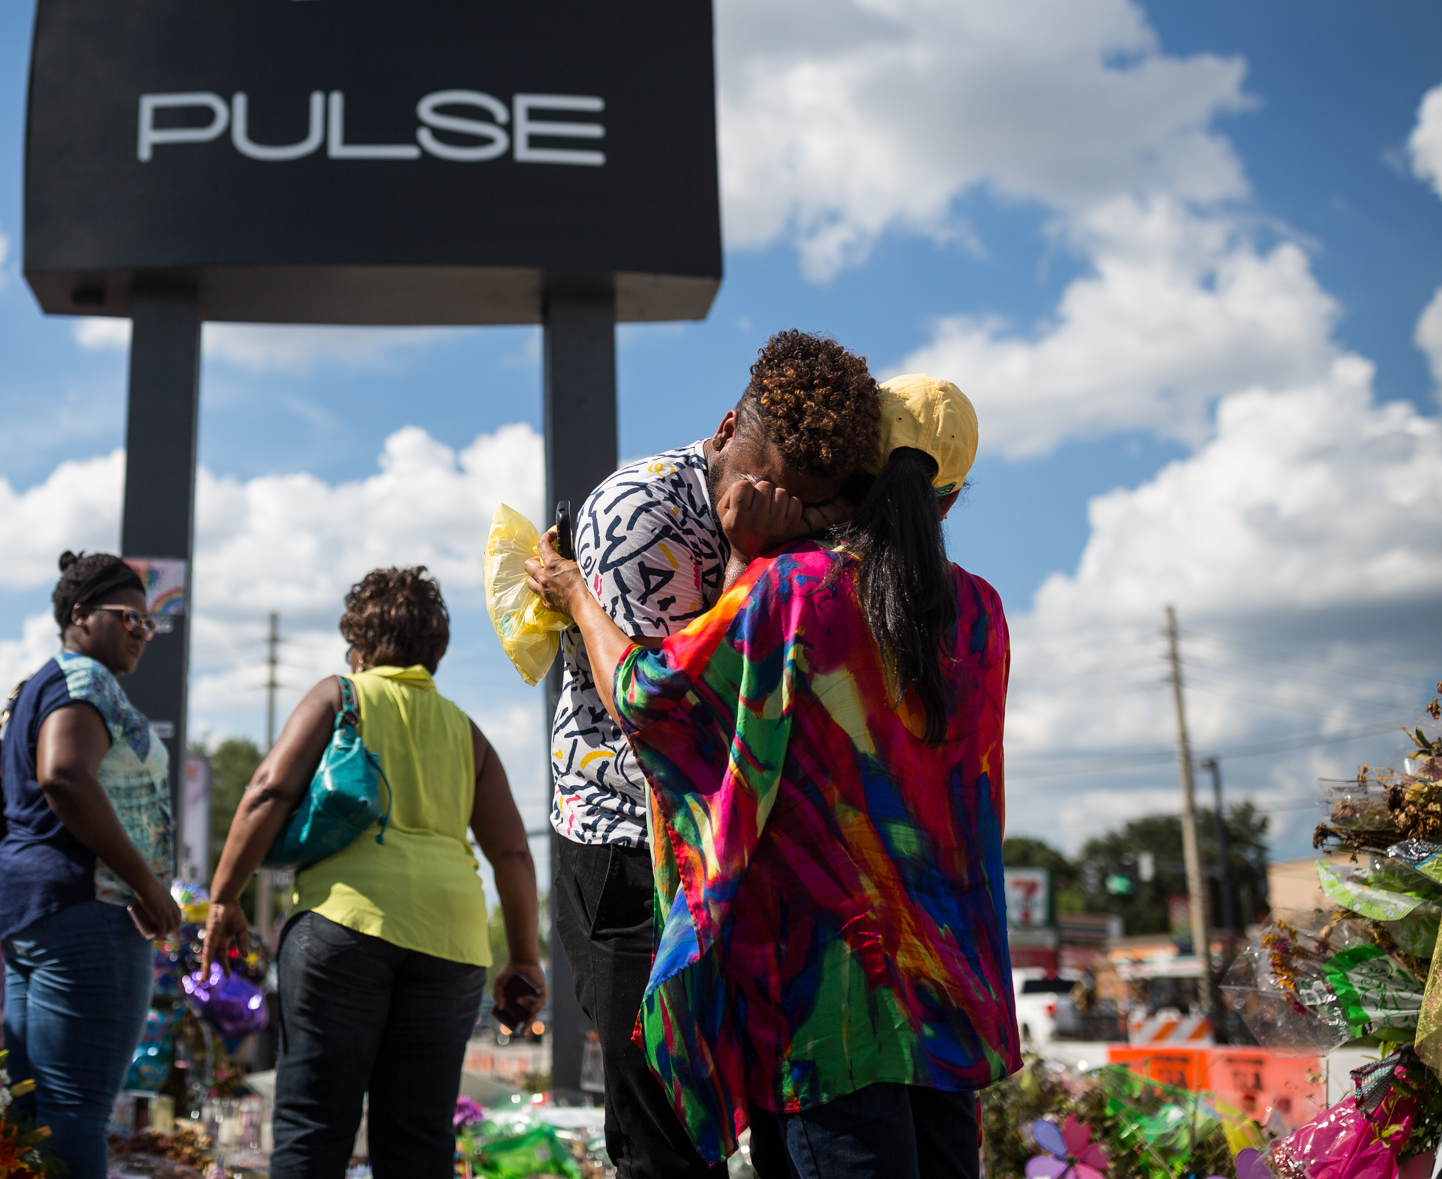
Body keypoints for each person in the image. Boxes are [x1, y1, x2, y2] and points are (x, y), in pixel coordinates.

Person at [528, 374, 1017, 1179]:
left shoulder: (789, 588)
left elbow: (657, 703)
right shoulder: (982, 613)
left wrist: (576, 591)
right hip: (950, 994)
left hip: (827, 1003)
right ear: (949, 502)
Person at [547, 330, 879, 1179]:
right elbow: (672, 718)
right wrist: (747, 560)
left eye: (802, 506)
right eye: (755, 482)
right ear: (727, 425)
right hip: (634, 847)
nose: (769, 507)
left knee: (776, 1127)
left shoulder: (831, 529)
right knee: (664, 1138)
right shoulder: (639, 511)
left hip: (752, 859)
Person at [202, 567, 545, 1179]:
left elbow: (267, 790)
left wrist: (224, 897)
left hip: (343, 926)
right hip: (451, 941)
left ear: (356, 642)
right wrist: (523, 958)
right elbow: (514, 855)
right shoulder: (468, 732)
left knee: (313, 1124)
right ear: (435, 651)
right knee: (419, 1137)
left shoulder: (341, 696)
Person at [0, 551, 180, 1179]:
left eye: (150, 624)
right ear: (81, 616)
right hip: (88, 913)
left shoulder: (40, 684)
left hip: (34, 912)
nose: (143, 634)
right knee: (74, 1110)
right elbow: (65, 777)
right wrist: (147, 885)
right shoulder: (86, 682)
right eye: (131, 619)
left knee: (32, 1110)